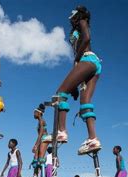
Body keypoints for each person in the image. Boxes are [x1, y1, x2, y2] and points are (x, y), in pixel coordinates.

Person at [51, 6, 102, 155]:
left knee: (60, 94)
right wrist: (74, 85)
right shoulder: (79, 24)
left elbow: (87, 38)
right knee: (85, 101)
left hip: (86, 59)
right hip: (93, 63)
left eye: (73, 14)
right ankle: (93, 139)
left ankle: (61, 131)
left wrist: (77, 58)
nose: (70, 17)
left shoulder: (82, 21)